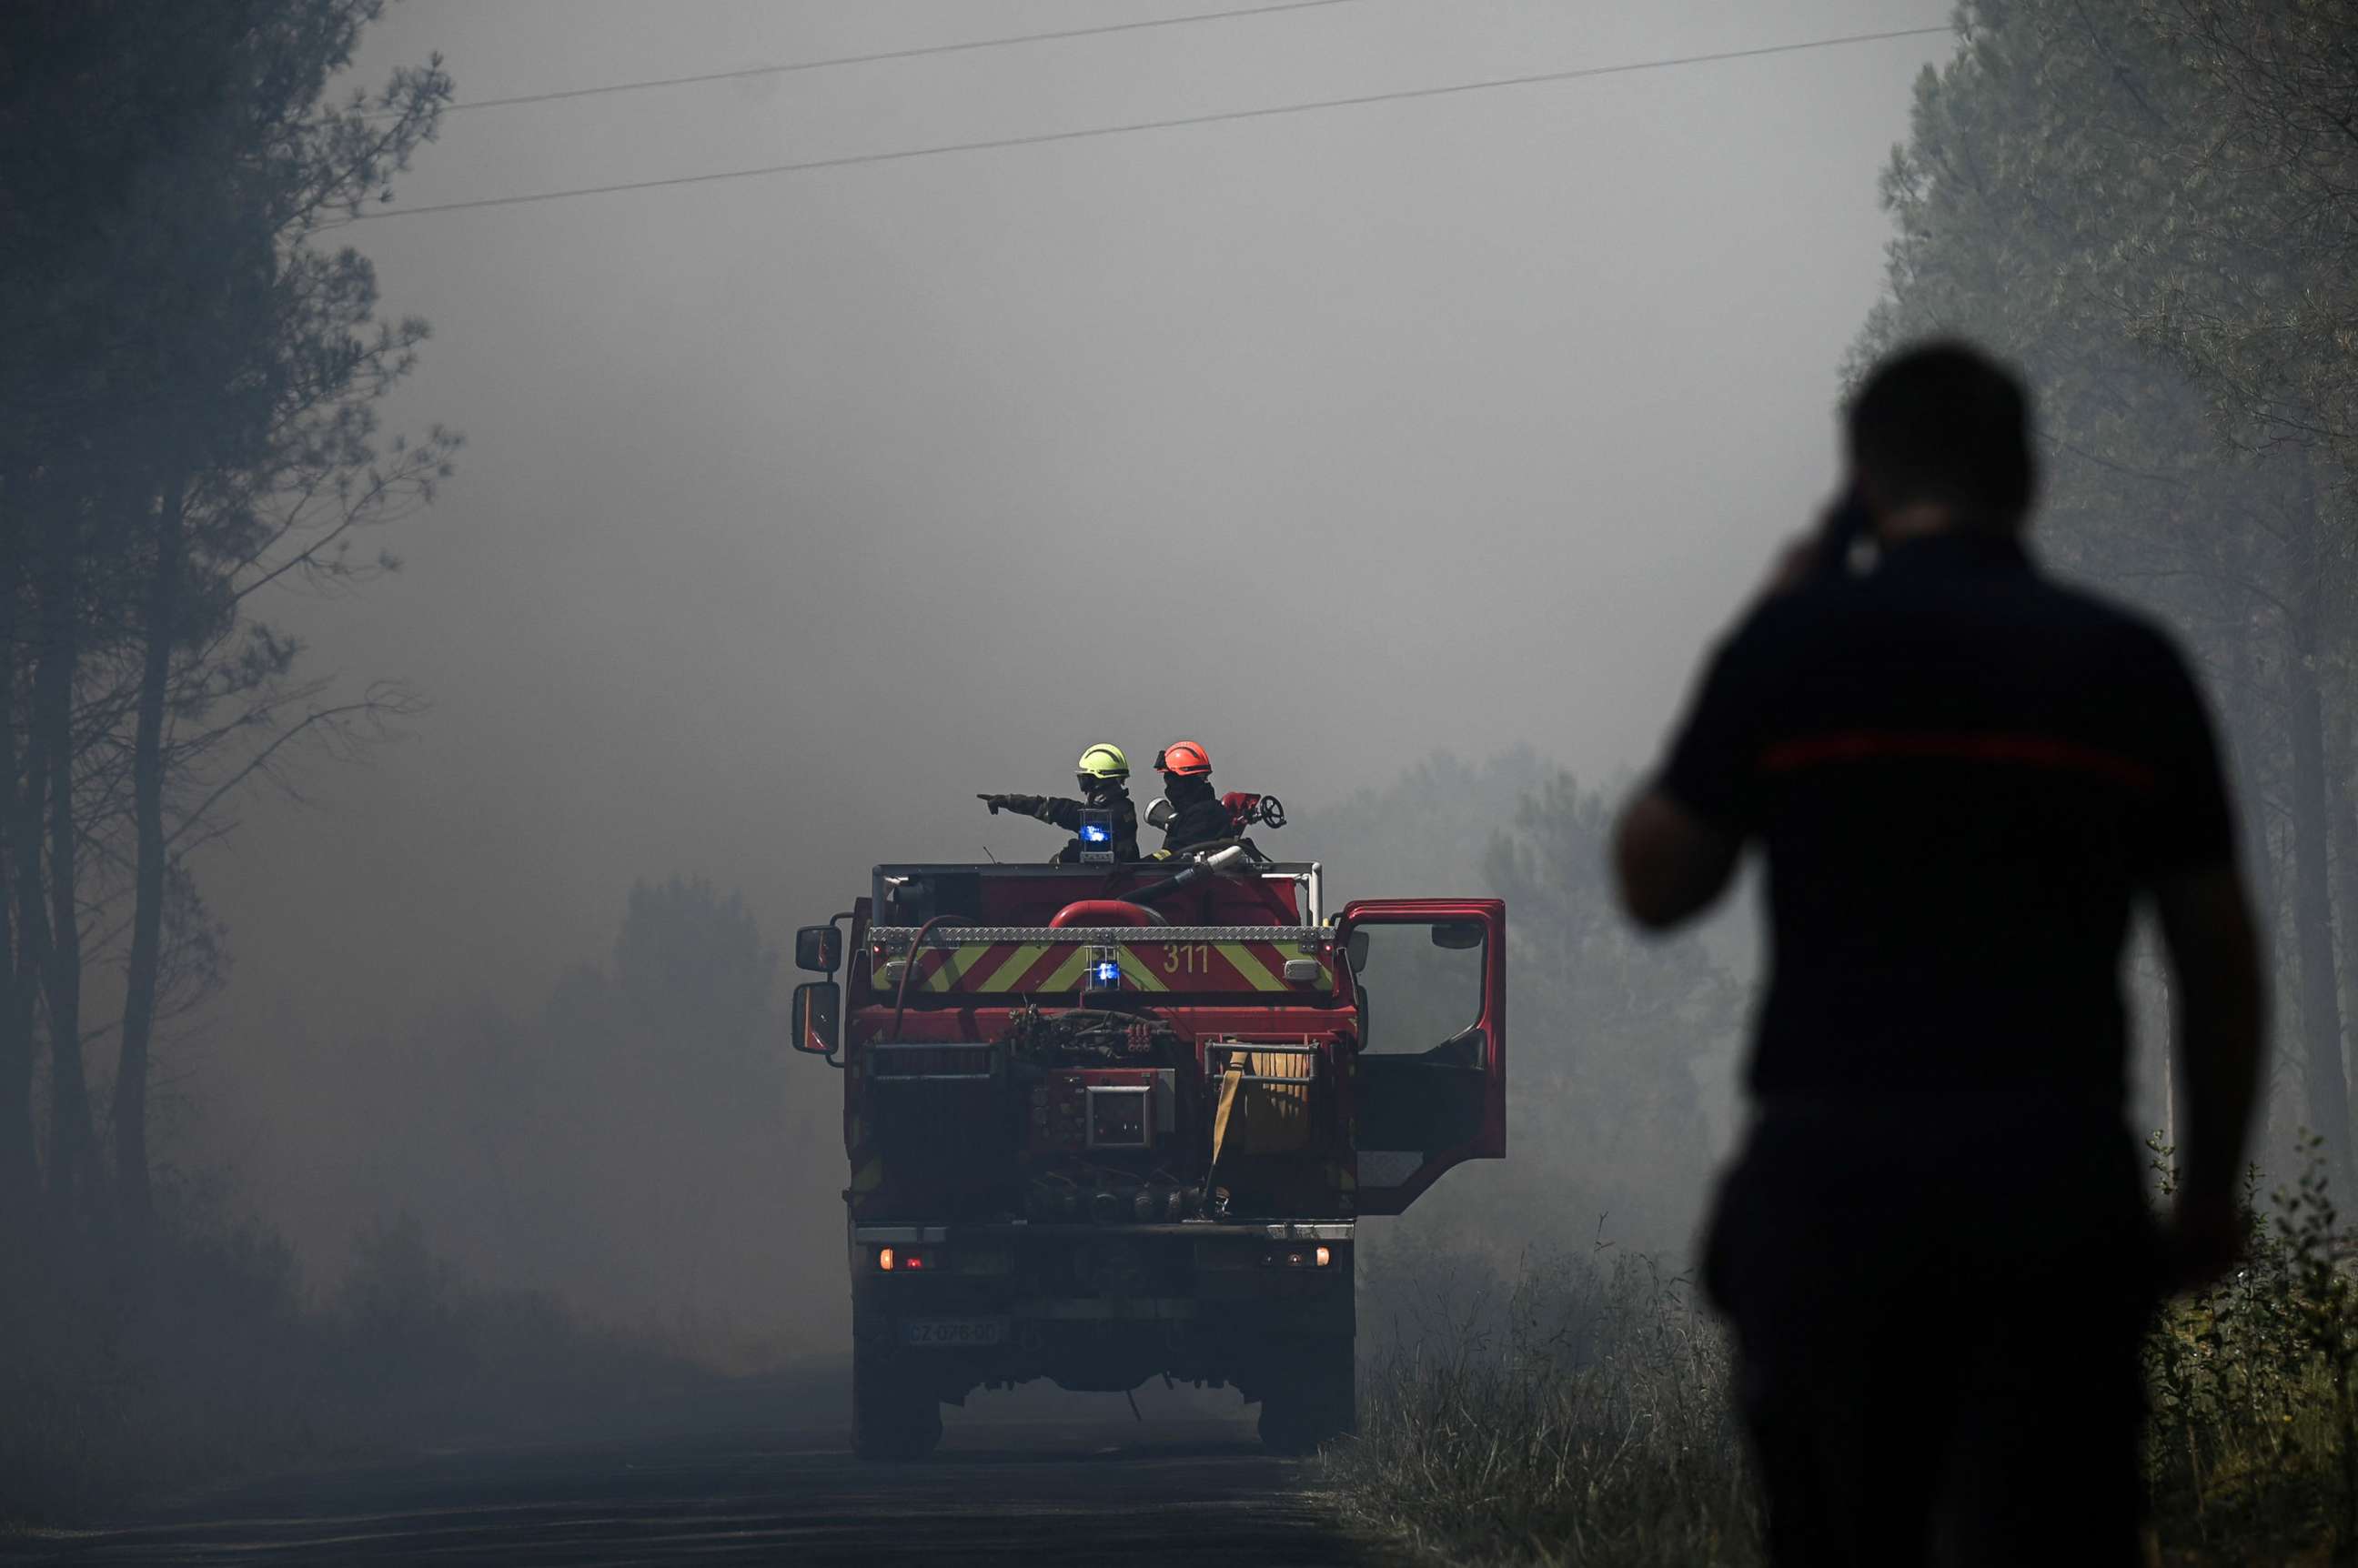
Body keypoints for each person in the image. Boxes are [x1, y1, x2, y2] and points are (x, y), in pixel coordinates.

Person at [1611, 340, 2265, 1566]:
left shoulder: (1795, 652)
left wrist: (1769, 610)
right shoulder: (2126, 667)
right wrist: (2210, 1195)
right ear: (2026, 478)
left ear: (1865, 483)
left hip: (1833, 1195)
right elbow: (2216, 957)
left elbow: (1656, 882)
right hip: (2050, 1189)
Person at [979, 743, 1140, 862]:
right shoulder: (1112, 810)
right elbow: (1057, 809)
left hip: (1107, 888)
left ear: (1096, 780)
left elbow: (1090, 852)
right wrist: (1009, 801)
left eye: (1085, 778)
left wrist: (1061, 859)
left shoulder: (1109, 816)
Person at [1150, 740, 1234, 854]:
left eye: (1171, 783)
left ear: (1187, 781)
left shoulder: (1204, 815)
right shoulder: (1198, 812)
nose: (1169, 790)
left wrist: (1137, 867)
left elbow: (1174, 855)